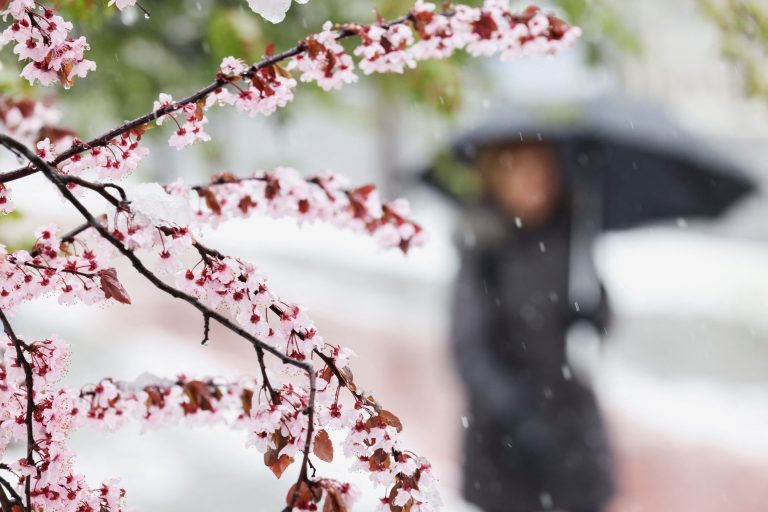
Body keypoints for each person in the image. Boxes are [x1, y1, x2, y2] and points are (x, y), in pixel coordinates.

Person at [451, 141, 614, 512]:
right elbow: (469, 346)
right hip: (505, 439)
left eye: (543, 173)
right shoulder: (484, 247)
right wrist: (515, 411)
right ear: (497, 179)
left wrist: (593, 316)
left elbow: (601, 316)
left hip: (573, 427)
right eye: (522, 172)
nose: (536, 184)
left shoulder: (573, 238)